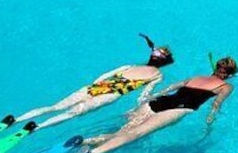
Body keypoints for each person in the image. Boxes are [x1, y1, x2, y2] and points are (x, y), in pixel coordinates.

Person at [84, 56, 238, 153]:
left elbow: (170, 88)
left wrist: (153, 96)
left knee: (123, 130)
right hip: (177, 109)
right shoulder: (226, 86)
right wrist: (210, 122)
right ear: (230, 74)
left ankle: (88, 141)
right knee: (136, 133)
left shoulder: (196, 77)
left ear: (215, 68)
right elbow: (216, 104)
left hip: (158, 102)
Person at [15, 34, 174, 129]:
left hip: (95, 88)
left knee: (55, 107)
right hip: (110, 94)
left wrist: (94, 86)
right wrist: (141, 106)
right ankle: (38, 127)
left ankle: (16, 120)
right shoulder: (157, 75)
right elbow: (144, 95)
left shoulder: (129, 66)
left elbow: (103, 77)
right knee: (72, 113)